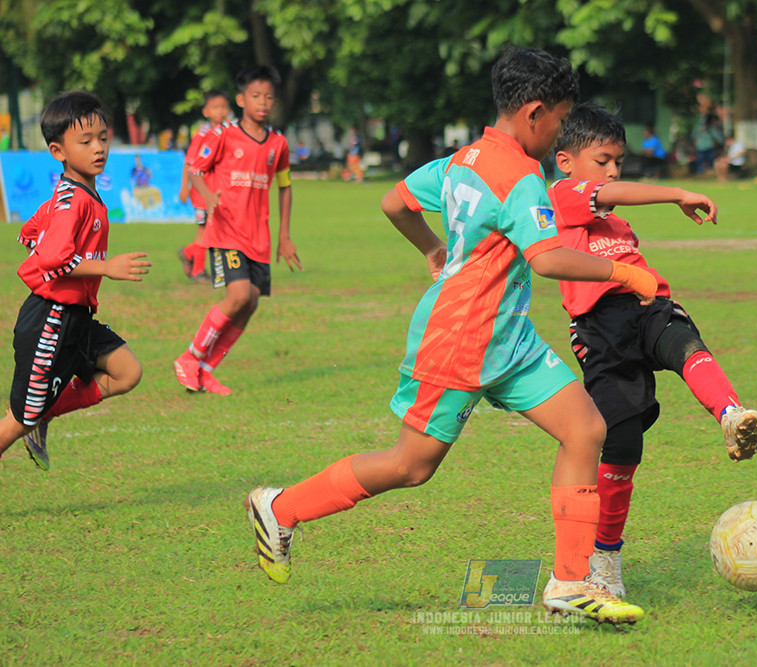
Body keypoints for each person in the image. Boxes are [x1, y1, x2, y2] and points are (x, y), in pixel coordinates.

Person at [244, 48, 658, 625]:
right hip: (461, 338)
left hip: (507, 338)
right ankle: (280, 506)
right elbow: (546, 259)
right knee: (412, 466)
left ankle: (569, 582)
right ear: (535, 113)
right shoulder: (520, 176)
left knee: (586, 428)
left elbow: (395, 202)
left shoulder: (466, 158)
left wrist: (434, 250)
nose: (562, 130)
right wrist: (625, 271)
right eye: (561, 119)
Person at [548, 102, 757, 598]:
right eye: (602, 160)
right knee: (623, 445)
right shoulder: (563, 194)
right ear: (566, 162)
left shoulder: (615, 223)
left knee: (684, 342)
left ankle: (731, 415)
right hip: (599, 328)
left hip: (645, 303)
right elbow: (614, 193)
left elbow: (617, 200)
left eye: (618, 161)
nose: (611, 171)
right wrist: (677, 193)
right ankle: (603, 559)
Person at [0, 90, 151, 470]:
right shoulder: (74, 201)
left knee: (127, 371)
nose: (98, 147)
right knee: (17, 422)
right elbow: (52, 256)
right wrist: (106, 267)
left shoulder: (80, 195)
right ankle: (37, 416)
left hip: (77, 317)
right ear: (58, 151)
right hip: (51, 320)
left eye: (103, 137)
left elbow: (33, 235)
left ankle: (45, 414)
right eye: (85, 141)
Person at [173, 65, 302, 396]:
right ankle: (190, 357)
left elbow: (285, 187)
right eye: (256, 96)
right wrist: (208, 195)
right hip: (228, 231)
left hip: (259, 236)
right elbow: (197, 170)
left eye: (268, 97)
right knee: (239, 296)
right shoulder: (222, 135)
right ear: (241, 99)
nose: (263, 103)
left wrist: (285, 236)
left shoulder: (278, 143)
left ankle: (206, 370)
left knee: (252, 302)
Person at [178, 89, 231, 283]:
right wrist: (184, 187)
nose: (221, 111)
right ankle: (198, 270)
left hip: (219, 192)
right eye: (215, 107)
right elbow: (189, 162)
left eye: (224, 107)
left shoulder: (230, 134)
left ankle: (189, 253)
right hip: (202, 193)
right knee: (204, 230)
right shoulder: (202, 135)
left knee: (214, 230)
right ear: (206, 111)